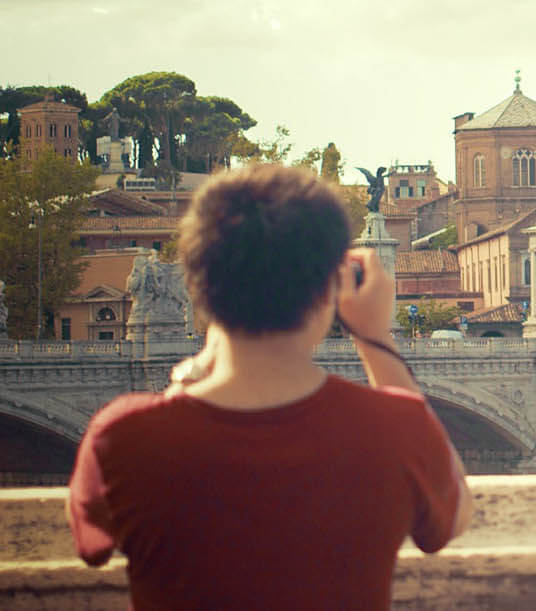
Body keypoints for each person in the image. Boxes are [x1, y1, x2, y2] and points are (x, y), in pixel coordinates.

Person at [67, 164, 473, 609]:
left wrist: (188, 377)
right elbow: (449, 521)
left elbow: (92, 545)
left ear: (197, 287)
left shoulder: (122, 435)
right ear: (329, 291)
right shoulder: (397, 428)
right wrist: (375, 338)